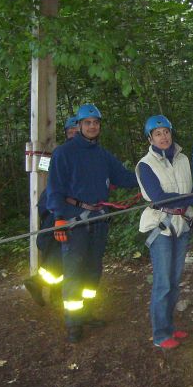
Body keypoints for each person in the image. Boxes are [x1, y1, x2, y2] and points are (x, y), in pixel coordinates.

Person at [47, 104, 138, 343]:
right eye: (87, 123)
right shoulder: (63, 153)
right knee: (74, 273)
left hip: (98, 220)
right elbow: (54, 188)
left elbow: (124, 177)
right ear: (78, 126)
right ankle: (73, 323)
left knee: (93, 271)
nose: (92, 126)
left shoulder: (102, 154)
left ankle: (86, 313)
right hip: (74, 221)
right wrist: (59, 218)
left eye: (95, 123)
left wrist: (148, 173)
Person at [135, 115, 193, 350]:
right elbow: (159, 197)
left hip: (181, 225)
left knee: (174, 280)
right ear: (150, 138)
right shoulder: (145, 165)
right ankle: (160, 334)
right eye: (158, 133)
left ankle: (169, 326)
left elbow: (191, 188)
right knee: (162, 282)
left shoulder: (182, 159)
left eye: (166, 132)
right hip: (160, 226)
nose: (163, 137)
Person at [24, 116, 79, 307]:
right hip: (56, 206)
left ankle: (53, 289)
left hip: (54, 205)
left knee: (58, 247)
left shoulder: (75, 153)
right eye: (71, 132)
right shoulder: (66, 153)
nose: (73, 135)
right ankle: (39, 282)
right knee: (56, 246)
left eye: (76, 131)